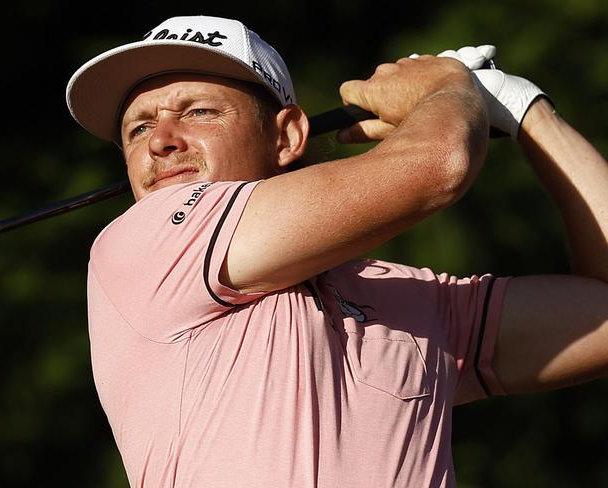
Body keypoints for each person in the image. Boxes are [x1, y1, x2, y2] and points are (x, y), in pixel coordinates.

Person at [66, 15, 608, 488]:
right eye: (138, 128)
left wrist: (528, 113)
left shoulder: (409, 300)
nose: (161, 140)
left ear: (286, 137)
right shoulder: (147, 240)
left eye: (200, 112)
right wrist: (448, 87)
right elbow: (438, 166)